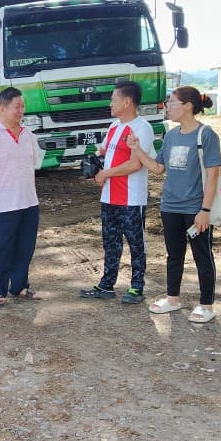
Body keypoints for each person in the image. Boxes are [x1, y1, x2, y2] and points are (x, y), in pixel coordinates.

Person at [127, 86, 221, 323]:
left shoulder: (206, 135)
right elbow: (158, 168)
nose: (167, 107)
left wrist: (205, 210)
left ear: (187, 106)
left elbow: (212, 177)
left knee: (202, 256)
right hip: (170, 206)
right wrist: (137, 150)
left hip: (195, 209)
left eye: (171, 102)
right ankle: (173, 299)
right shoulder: (170, 136)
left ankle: (206, 305)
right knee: (174, 255)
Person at [79, 80, 155, 304]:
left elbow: (135, 164)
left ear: (128, 101)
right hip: (109, 196)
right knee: (110, 242)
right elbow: (103, 151)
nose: (110, 103)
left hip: (131, 198)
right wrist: (95, 163)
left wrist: (107, 173)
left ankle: (136, 288)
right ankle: (106, 285)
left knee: (135, 244)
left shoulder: (142, 128)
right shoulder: (114, 126)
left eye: (114, 99)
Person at [0, 87, 42, 307]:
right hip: (4, 205)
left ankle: (19, 286)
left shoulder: (27, 135)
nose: (20, 110)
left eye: (22, 106)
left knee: (25, 247)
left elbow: (33, 164)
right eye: (16, 106)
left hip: (29, 202)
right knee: (1, 248)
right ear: (1, 109)